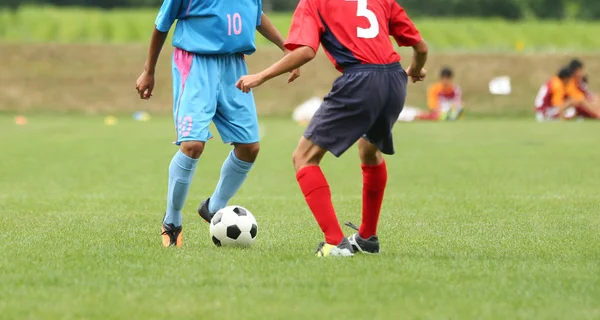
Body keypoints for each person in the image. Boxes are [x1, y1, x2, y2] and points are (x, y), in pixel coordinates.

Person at [236, 0, 428, 257]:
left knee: (304, 157)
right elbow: (421, 47)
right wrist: (414, 69)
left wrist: (259, 76)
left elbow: (305, 51)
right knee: (369, 150)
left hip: (361, 80)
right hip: (395, 80)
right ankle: (367, 237)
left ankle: (335, 242)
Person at [135, 0, 300, 247]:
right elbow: (161, 25)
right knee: (192, 145)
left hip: (234, 66)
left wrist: (286, 48)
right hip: (195, 63)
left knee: (249, 147)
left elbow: (257, 16)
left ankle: (214, 208)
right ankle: (172, 221)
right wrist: (149, 71)